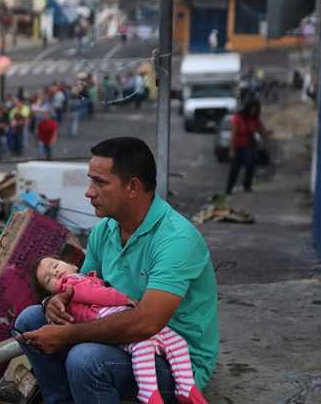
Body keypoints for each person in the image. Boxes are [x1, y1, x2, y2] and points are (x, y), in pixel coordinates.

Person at [14, 137, 218, 404]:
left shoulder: (177, 240)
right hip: (124, 340)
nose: (89, 192)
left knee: (85, 359)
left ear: (132, 187)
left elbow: (147, 323)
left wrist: (67, 334)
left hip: (172, 360)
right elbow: (80, 288)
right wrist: (53, 301)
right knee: (30, 319)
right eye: (90, 181)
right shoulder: (104, 230)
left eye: (99, 182)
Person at [29, 257, 208, 404]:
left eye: (55, 265)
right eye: (49, 279)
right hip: (113, 320)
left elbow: (144, 323)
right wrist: (125, 299)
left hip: (137, 328)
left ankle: (184, 387)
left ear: (74, 264)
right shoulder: (72, 281)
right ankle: (151, 392)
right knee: (30, 319)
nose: (55, 272)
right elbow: (95, 294)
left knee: (170, 342)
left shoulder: (83, 277)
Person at [225, 99, 266, 194]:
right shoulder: (238, 117)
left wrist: (265, 137)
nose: (253, 111)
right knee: (235, 168)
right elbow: (233, 134)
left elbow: (261, 129)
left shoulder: (255, 119)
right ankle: (229, 189)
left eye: (255, 109)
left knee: (250, 165)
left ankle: (247, 186)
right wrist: (232, 149)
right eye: (252, 109)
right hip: (238, 145)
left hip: (249, 145)